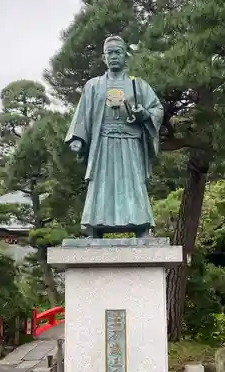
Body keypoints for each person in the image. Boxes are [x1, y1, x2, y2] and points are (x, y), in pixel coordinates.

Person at [65, 35, 164, 238]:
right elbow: (82, 114)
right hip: (103, 144)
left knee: (133, 183)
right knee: (101, 184)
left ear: (125, 56)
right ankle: (95, 226)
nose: (114, 56)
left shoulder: (139, 85)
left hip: (130, 143)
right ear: (104, 57)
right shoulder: (93, 86)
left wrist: (144, 114)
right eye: (109, 53)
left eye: (118, 52)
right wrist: (78, 138)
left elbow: (157, 109)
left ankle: (141, 225)